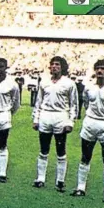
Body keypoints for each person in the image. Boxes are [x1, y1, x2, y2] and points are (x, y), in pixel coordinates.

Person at [71, 58, 104, 203]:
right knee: (85, 156)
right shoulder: (89, 86)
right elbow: (86, 103)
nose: (100, 71)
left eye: (103, 68)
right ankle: (80, 187)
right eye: (98, 68)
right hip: (90, 123)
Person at [32, 56, 78, 192]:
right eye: (52, 64)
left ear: (62, 67)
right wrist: (36, 119)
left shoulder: (69, 83)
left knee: (60, 150)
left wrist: (70, 122)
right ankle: (40, 178)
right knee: (43, 149)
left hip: (60, 116)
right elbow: (38, 102)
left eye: (57, 64)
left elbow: (74, 104)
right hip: (46, 116)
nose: (54, 67)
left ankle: (60, 181)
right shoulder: (44, 82)